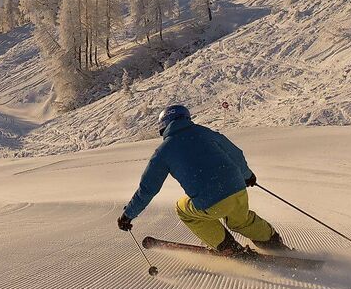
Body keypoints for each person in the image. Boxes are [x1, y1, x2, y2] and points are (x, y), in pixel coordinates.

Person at [117, 105, 286, 255]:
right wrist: (247, 175)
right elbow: (236, 154)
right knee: (241, 220)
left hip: (211, 202)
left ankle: (228, 247)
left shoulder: (163, 152)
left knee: (183, 209)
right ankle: (272, 242)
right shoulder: (205, 132)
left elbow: (147, 189)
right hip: (238, 189)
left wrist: (128, 215)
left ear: (163, 126)